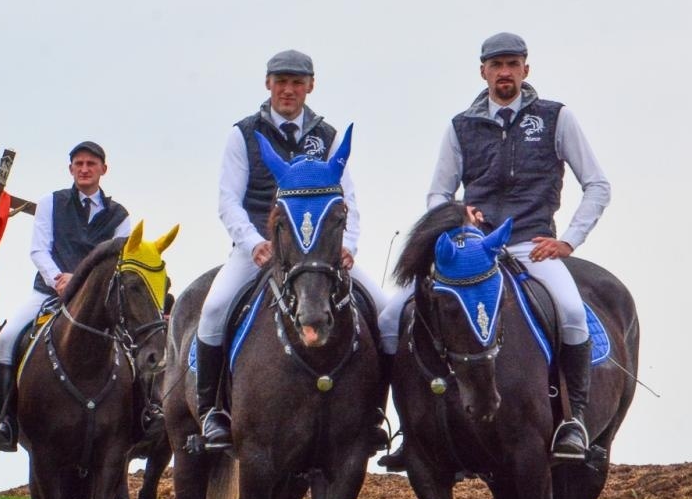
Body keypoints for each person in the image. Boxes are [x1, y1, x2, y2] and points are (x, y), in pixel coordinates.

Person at [380, 32, 611, 464]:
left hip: (530, 246)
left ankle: (573, 420)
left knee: (572, 312)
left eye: (512, 64)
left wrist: (568, 240)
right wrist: (456, 216)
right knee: (391, 318)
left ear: (526, 69)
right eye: (496, 65)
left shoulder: (556, 118)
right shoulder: (460, 127)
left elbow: (597, 185)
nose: (505, 72)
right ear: (483, 71)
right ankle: (402, 427)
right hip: (474, 251)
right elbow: (438, 193)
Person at [191, 49, 386, 450]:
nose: (288, 90)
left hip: (321, 252)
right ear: (268, 84)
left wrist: (348, 246)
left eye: (297, 83)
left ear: (310, 86)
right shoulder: (243, 134)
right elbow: (228, 201)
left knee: (384, 311)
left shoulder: (328, 137)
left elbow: (348, 199)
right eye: (281, 82)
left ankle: (374, 414)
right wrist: (253, 244)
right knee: (213, 310)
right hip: (261, 247)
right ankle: (213, 410)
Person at [0, 140, 131, 452]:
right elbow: (39, 249)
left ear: (103, 169)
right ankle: (4, 419)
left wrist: (81, 281)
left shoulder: (120, 216)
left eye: (91, 164)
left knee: (133, 343)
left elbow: (119, 260)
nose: (84, 169)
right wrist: (58, 280)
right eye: (79, 164)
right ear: (70, 169)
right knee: (7, 338)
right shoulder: (50, 202)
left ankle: (143, 415)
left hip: (96, 300)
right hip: (49, 292)